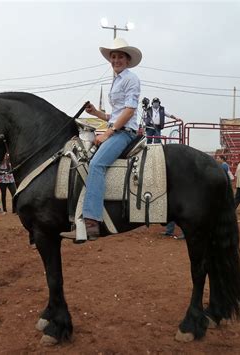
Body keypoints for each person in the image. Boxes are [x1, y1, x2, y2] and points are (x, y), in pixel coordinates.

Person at [64, 37, 142, 239]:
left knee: (97, 164)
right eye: (113, 56)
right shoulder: (116, 80)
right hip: (117, 127)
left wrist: (108, 132)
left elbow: (130, 111)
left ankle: (91, 223)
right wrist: (96, 113)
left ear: (127, 59)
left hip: (124, 132)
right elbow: (115, 114)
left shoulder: (130, 79)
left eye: (120, 57)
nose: (116, 60)